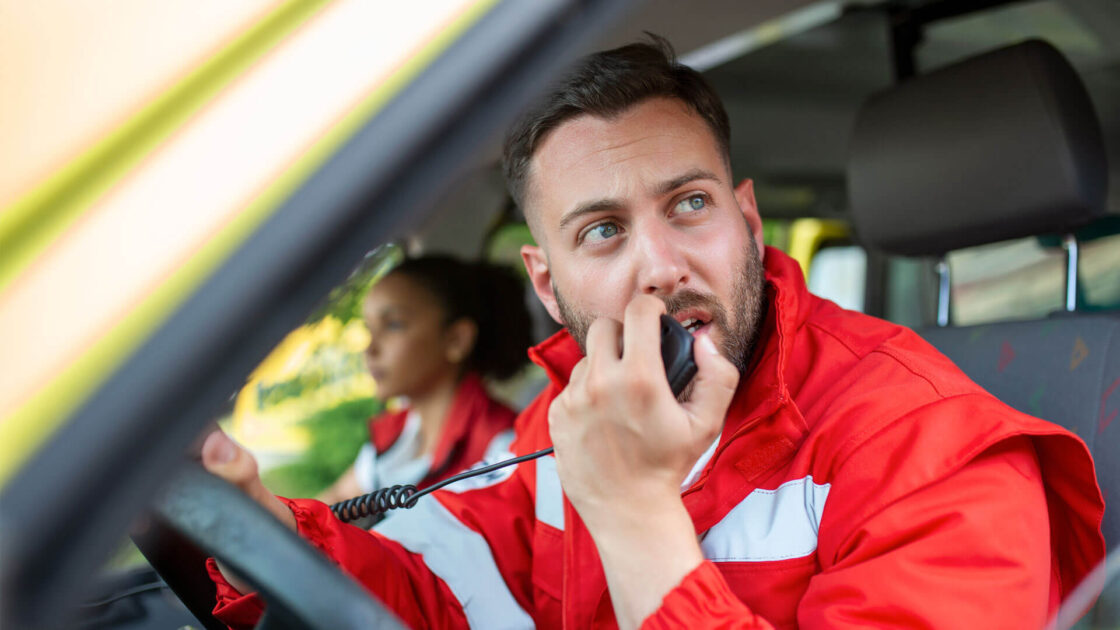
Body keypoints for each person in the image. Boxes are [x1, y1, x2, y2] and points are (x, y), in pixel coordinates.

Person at [200, 37, 1105, 629]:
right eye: (603, 231)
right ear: (548, 287)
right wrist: (259, 534)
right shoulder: (570, 418)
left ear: (748, 223)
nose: (661, 265)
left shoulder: (931, 450)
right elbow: (436, 591)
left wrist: (635, 514)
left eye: (690, 205)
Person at [316, 256, 533, 506]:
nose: (370, 349)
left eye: (393, 325)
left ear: (456, 340)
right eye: (369, 329)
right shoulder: (400, 432)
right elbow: (335, 501)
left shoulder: (502, 449)